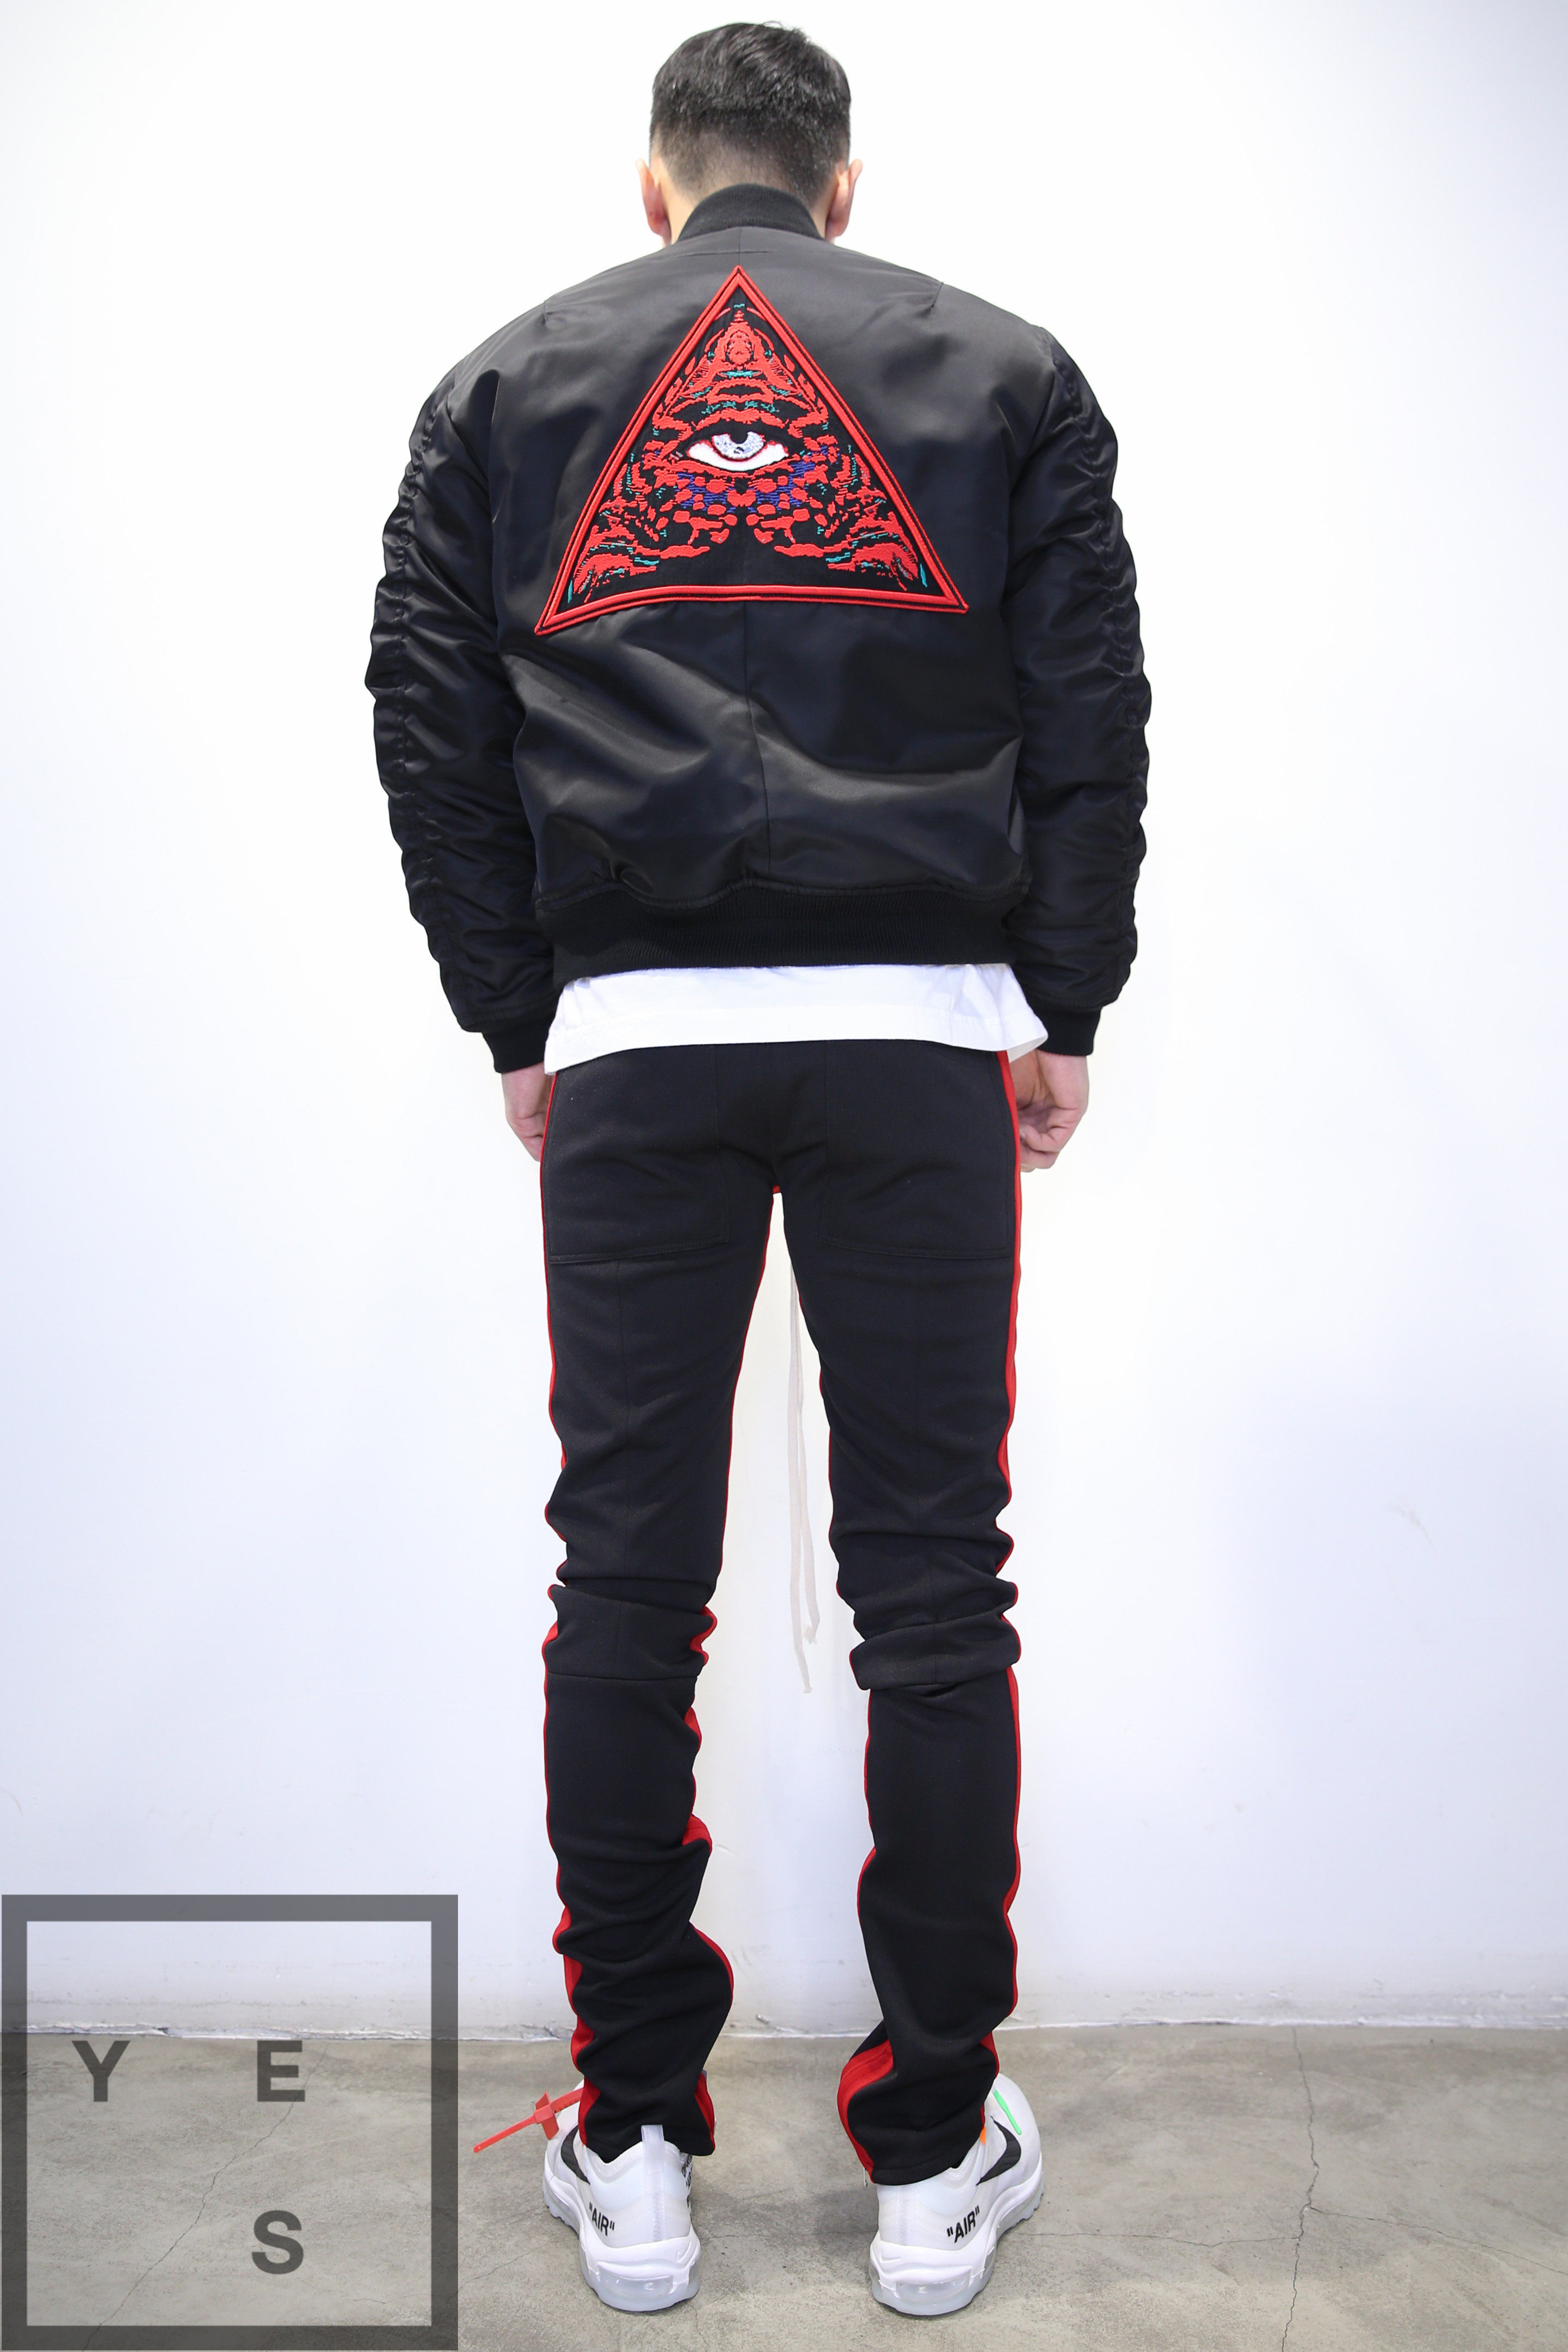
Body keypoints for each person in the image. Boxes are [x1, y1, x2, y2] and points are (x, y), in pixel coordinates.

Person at [366, 21, 1148, 2318]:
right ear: (842, 185)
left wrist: (519, 1010)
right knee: (934, 1589)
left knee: (626, 1580)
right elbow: (1090, 704)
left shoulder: (501, 388)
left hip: (635, 1044)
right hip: (915, 1035)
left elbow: (426, 717)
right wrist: (1056, 994)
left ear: (653, 185)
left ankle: (628, 2135)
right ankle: (927, 2151)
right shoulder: (1004, 374)